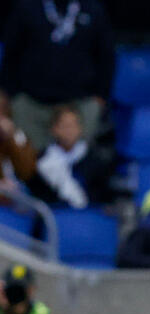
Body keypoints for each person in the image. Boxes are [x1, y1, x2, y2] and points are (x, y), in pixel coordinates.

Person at [0, 0, 115, 151]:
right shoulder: (26, 7)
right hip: (32, 103)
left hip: (79, 103)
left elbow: (106, 56)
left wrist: (100, 97)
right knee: (30, 162)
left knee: (79, 160)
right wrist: (13, 96)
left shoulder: (93, 8)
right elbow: (11, 54)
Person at [28, 105, 115, 208]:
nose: (69, 131)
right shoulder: (41, 160)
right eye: (64, 126)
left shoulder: (95, 159)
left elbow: (101, 195)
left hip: (87, 216)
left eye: (73, 125)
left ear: (80, 129)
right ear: (53, 129)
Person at [0, 92, 37, 192]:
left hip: (17, 198)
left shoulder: (18, 136)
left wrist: (12, 137)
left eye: (2, 111)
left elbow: (27, 172)